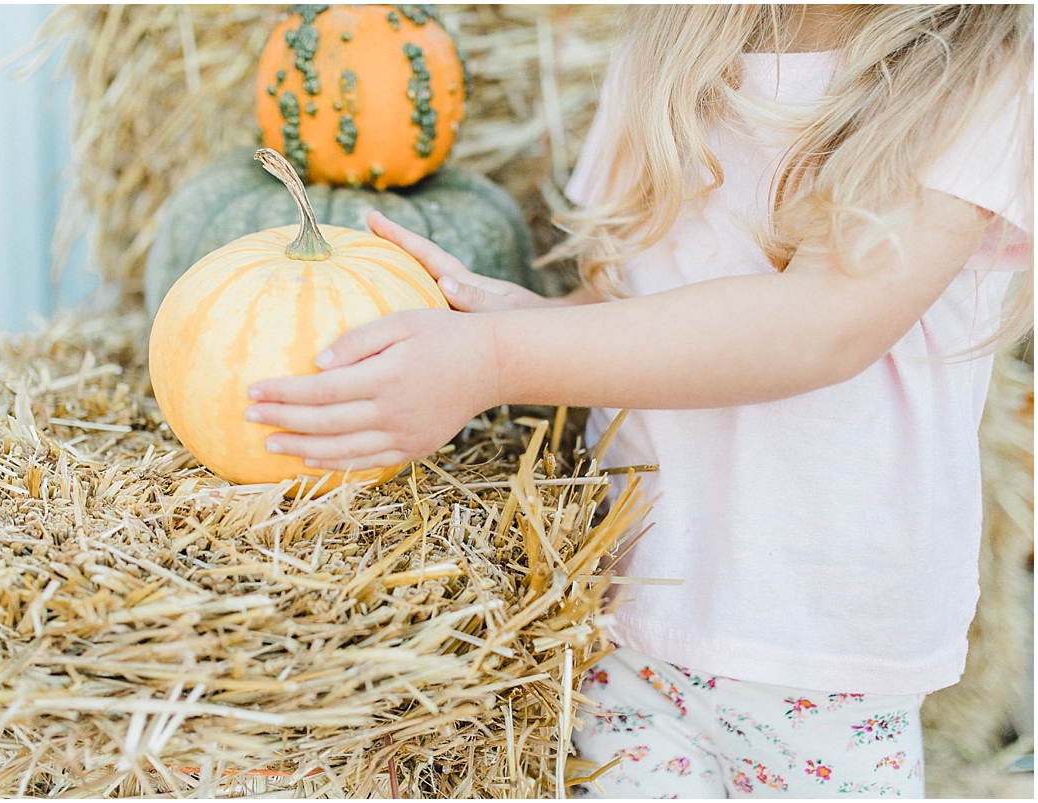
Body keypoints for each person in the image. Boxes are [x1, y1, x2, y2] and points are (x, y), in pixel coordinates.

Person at [244, 5, 1033, 797]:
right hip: (628, 616)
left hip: (821, 651)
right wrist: (520, 318)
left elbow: (823, 324)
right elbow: (635, 300)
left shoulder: (978, 70)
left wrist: (496, 360)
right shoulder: (678, 40)